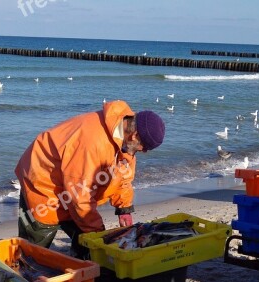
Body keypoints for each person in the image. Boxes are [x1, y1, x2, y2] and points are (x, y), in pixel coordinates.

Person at [14, 101, 165, 258]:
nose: (144, 152)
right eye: (144, 147)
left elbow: (123, 174)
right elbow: (80, 198)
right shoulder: (91, 143)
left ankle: (78, 261)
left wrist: (124, 208)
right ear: (134, 136)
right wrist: (98, 235)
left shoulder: (127, 135)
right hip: (43, 181)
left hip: (74, 184)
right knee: (35, 245)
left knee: (83, 239)